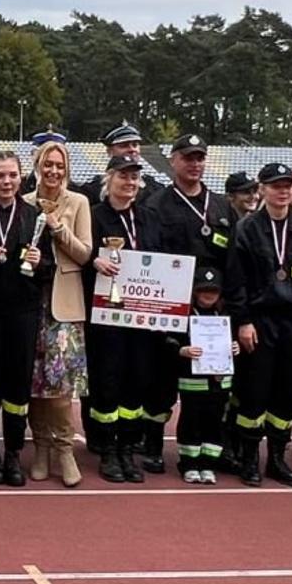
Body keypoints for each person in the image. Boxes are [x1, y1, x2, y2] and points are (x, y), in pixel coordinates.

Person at [226, 163, 292, 488]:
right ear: (263, 190)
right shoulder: (246, 228)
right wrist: (242, 321)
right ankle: (248, 458)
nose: (282, 191)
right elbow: (236, 280)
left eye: (288, 185)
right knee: (253, 392)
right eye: (275, 185)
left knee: (287, 392)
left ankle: (277, 458)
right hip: (259, 321)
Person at [142, 133, 234, 466]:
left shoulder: (222, 205)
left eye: (199, 158)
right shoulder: (156, 204)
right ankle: (151, 445)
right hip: (171, 307)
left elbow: (232, 259)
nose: (194, 164)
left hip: (213, 311)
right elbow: (149, 256)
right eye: (187, 157)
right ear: (173, 160)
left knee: (211, 386)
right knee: (162, 380)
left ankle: (211, 445)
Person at [85, 154, 166, 483]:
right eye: (123, 177)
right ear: (110, 179)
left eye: (134, 178)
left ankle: (127, 447)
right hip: (106, 316)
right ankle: (106, 450)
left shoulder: (148, 217)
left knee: (137, 382)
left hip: (141, 317)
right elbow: (80, 253)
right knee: (107, 382)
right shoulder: (94, 217)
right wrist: (94, 261)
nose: (129, 183)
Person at [0, 151, 47, 486]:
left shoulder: (36, 216)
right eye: (0, 175)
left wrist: (39, 259)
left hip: (23, 310)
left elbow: (49, 270)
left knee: (18, 384)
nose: (6, 182)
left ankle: (14, 453)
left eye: (12, 175)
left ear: (21, 178)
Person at [25, 138, 92, 487]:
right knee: (35, 384)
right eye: (47, 164)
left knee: (61, 386)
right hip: (31, 302)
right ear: (37, 166)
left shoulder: (78, 202)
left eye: (59, 165)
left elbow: (85, 254)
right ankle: (40, 448)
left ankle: (64, 448)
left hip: (63, 305)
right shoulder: (23, 203)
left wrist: (57, 226)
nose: (53, 170)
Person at [167, 265, 236, 484]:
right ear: (195, 291)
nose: (209, 295)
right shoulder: (184, 314)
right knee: (191, 420)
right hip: (192, 381)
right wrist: (182, 350)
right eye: (204, 290)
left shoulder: (226, 315)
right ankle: (188, 464)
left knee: (215, 422)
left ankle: (208, 464)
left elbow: (233, 341)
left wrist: (235, 347)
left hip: (220, 381)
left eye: (214, 291)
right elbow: (168, 341)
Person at [76, 122, 154, 202]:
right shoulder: (91, 191)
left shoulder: (153, 189)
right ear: (109, 151)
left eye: (135, 145)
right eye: (124, 145)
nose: (132, 149)